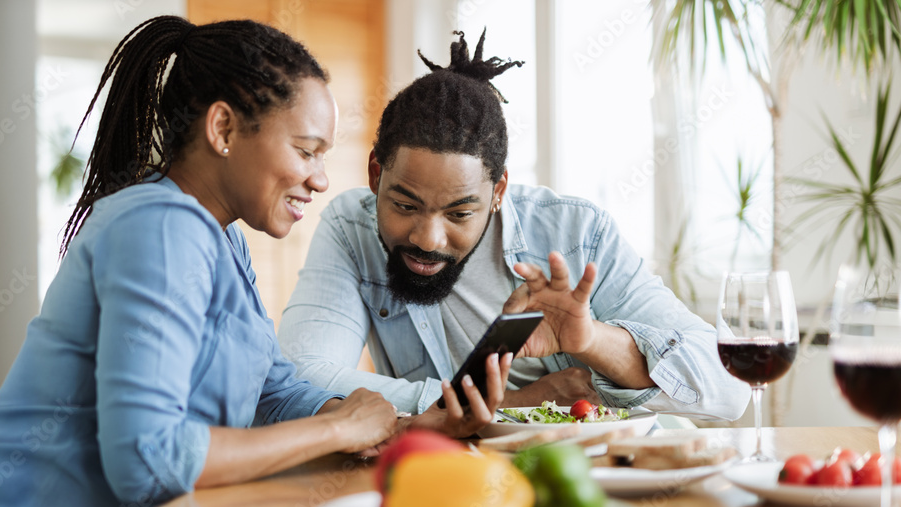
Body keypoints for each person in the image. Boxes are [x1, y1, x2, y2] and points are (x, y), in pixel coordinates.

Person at [0, 18, 506, 507]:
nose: (322, 180)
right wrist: (337, 426)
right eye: (306, 151)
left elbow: (271, 393)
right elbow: (149, 459)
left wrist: (401, 429)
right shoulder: (159, 227)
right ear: (223, 128)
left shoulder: (219, 238)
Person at [278, 30, 750, 421]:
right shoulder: (351, 227)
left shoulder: (576, 234)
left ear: (498, 191)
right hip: (441, 480)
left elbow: (730, 390)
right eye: (405, 205)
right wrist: (506, 405)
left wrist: (592, 342)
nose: (427, 238)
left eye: (460, 213)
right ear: (375, 175)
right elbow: (300, 380)